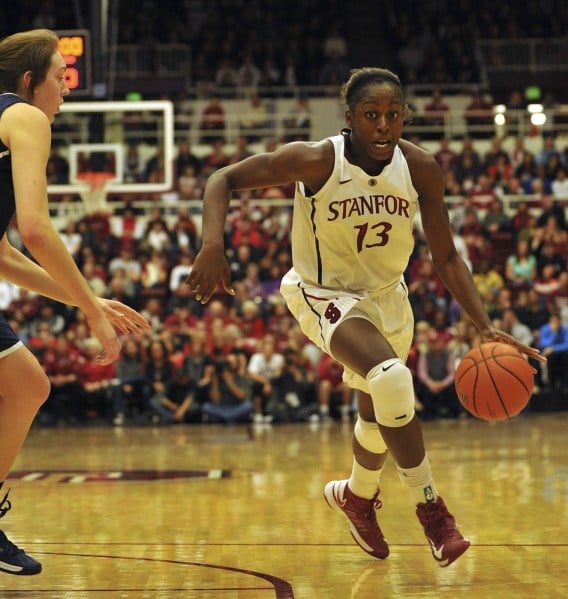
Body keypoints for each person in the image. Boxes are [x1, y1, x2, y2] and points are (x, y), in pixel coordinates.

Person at [186, 66, 544, 568]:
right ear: (349, 118)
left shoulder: (421, 168)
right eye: (371, 115)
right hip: (322, 292)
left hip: (386, 299)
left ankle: (356, 497)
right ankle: (433, 511)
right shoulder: (315, 160)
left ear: (405, 119)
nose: (383, 126)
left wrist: (482, 324)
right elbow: (222, 178)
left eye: (393, 115)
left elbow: (446, 256)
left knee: (378, 416)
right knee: (392, 377)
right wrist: (211, 244)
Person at [0, 29, 150, 575]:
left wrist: (87, 299)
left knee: (27, 384)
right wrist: (89, 309)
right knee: (26, 385)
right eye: (60, 79)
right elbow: (36, 230)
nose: (65, 90)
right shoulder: (26, 118)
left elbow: (4, 255)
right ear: (27, 81)